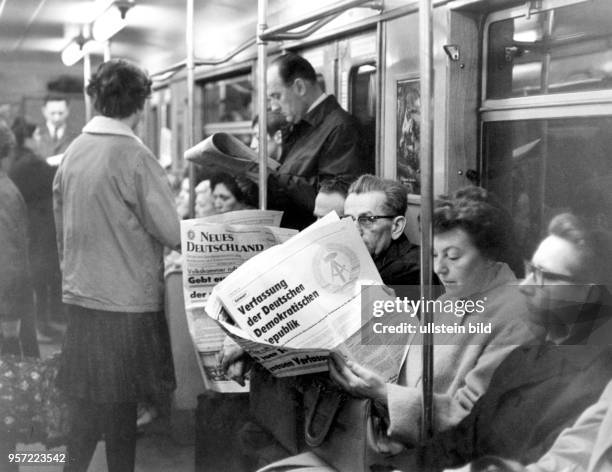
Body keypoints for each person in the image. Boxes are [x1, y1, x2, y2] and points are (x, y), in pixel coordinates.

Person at [258, 186, 542, 472]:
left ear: (489, 254)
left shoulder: (515, 315)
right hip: (391, 442)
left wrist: (384, 394)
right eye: (434, 254)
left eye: (453, 257)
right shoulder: (451, 298)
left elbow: (473, 420)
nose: (440, 268)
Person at [53, 59, 180, 472]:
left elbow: (61, 225)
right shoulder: (135, 157)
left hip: (81, 299)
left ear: (97, 98)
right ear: (140, 105)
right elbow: (171, 231)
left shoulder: (73, 152)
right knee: (121, 416)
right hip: (125, 308)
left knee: (88, 409)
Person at [420, 213, 612, 470]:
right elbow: (462, 438)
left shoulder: (595, 384)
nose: (525, 285)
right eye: (530, 270)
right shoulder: (525, 353)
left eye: (543, 276)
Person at [267, 52, 367, 230]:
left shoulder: (341, 127)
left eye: (277, 96)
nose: (274, 107)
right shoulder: (298, 126)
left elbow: (333, 200)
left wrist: (274, 177)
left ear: (299, 87)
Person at [9, 117, 63, 342]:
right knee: (40, 278)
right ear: (28, 139)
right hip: (38, 229)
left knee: (38, 279)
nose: (41, 138)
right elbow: (55, 178)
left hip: (29, 227)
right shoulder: (31, 163)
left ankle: (42, 324)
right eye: (38, 135)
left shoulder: (17, 160)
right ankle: (40, 326)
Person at [0, 121, 38, 358]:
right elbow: (11, 258)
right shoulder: (6, 193)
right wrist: (11, 314)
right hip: (6, 308)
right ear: (8, 151)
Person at [343, 174, 420, 286]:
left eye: (368, 219)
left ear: (397, 227)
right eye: (348, 219)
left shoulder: (409, 272)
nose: (355, 230)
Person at [34, 95, 78, 161]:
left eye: (61, 113)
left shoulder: (76, 135)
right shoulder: (34, 134)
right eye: (52, 113)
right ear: (44, 111)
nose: (57, 118)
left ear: (68, 110)